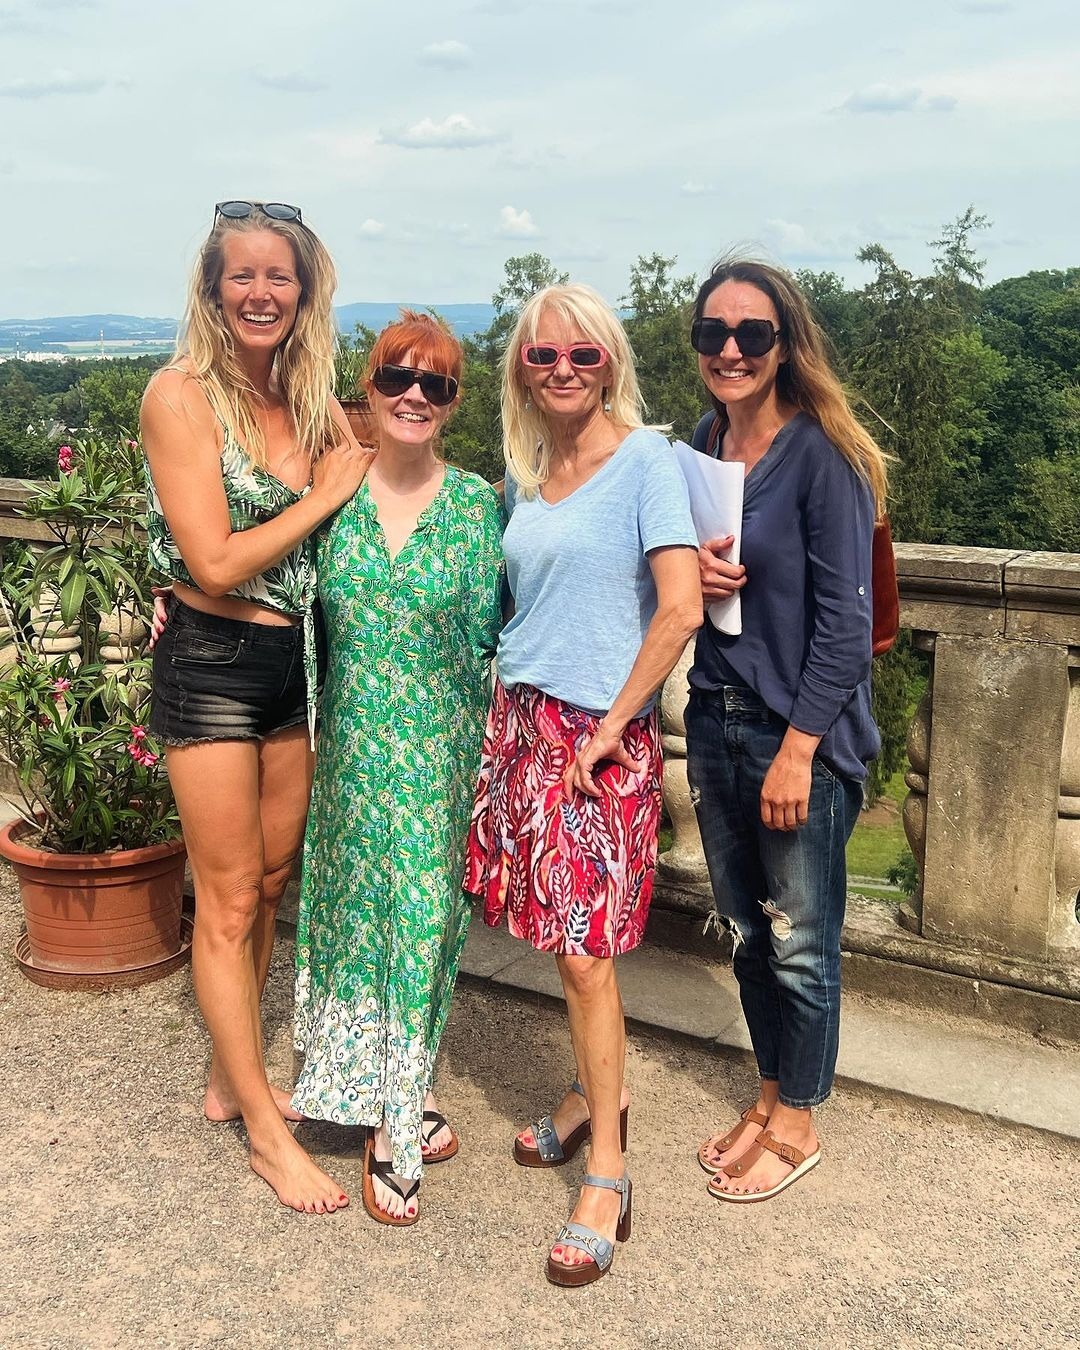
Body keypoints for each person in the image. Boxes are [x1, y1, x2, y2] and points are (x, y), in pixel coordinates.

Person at [464, 284, 702, 1285]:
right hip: (523, 724)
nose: (562, 369)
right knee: (558, 943)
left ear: (611, 364)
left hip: (597, 740)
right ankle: (591, 1096)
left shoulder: (648, 462)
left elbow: (680, 607)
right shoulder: (526, 475)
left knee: (585, 952)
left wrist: (610, 729)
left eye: (583, 355)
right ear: (521, 370)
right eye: (542, 355)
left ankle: (608, 1170)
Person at [142, 200, 373, 1214]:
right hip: (212, 662)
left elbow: (384, 479)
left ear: (305, 292)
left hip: (297, 664)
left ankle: (226, 1076)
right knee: (229, 896)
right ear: (212, 288)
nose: (261, 292)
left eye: (280, 276)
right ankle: (270, 1139)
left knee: (273, 881)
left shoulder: (311, 397)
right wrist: (321, 498)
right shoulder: (179, 395)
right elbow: (213, 559)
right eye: (242, 274)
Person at [289, 313, 505, 1227]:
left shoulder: (477, 508)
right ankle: (375, 1087)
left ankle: (394, 1129)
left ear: (452, 404)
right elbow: (269, 585)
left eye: (436, 384)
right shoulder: (330, 491)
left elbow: (506, 628)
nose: (414, 395)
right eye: (396, 378)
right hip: (347, 756)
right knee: (350, 921)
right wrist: (168, 594)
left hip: (436, 759)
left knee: (418, 928)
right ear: (369, 389)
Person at [684, 258, 888, 1203]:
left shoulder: (823, 455)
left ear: (784, 343)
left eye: (751, 333)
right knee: (746, 932)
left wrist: (800, 750)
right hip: (714, 715)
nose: (730, 349)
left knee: (802, 940)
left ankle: (799, 1121)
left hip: (792, 734)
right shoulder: (708, 440)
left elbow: (847, 627)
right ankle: (768, 1097)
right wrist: (697, 572)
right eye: (713, 332)